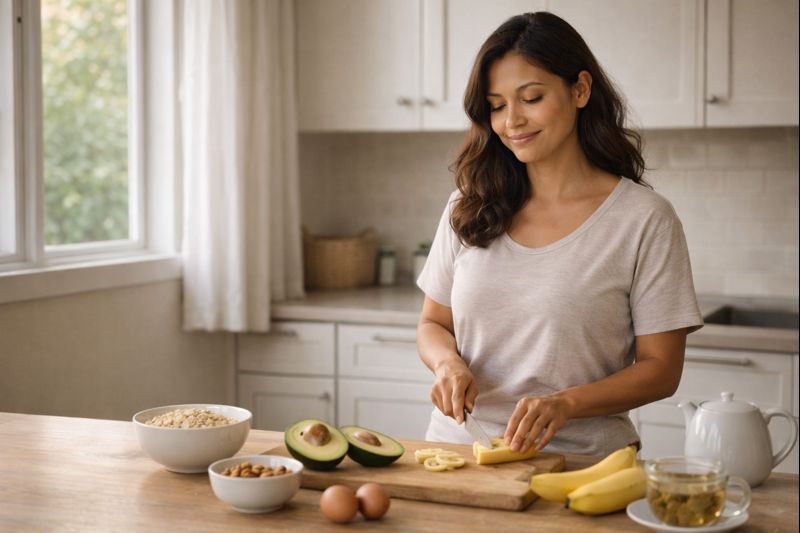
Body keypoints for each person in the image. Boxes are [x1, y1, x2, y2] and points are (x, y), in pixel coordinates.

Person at [415, 11, 703, 457]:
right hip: (459, 453)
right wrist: (446, 363)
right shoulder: (468, 206)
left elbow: (661, 369)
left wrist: (566, 403)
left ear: (580, 89)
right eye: (496, 105)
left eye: (531, 98)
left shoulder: (644, 219)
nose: (512, 120)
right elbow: (433, 324)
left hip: (581, 464)